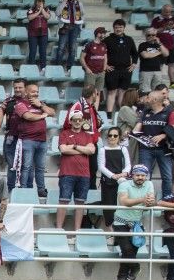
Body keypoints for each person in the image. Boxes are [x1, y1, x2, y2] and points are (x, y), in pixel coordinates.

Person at [56, 111, 98, 241]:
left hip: (84, 174)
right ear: (71, 121)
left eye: (80, 120)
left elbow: (91, 150)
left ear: (83, 121)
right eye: (75, 120)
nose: (77, 122)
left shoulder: (88, 135)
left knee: (80, 203)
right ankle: (58, 231)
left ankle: (77, 232)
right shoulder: (64, 133)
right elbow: (63, 149)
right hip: (67, 172)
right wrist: (82, 149)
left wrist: (73, 146)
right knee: (63, 201)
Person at [113, 165, 155, 280]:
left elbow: (151, 201)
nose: (140, 177)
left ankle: (122, 278)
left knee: (132, 251)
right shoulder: (124, 185)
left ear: (146, 176)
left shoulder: (149, 184)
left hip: (137, 223)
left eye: (143, 175)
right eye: (137, 175)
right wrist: (143, 200)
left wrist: (151, 202)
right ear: (132, 175)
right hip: (120, 222)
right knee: (127, 249)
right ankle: (135, 267)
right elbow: (124, 201)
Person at [97, 126, 132, 238]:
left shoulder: (123, 149)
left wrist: (123, 174)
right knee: (108, 206)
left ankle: (122, 229)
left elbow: (128, 165)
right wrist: (112, 176)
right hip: (107, 182)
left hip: (121, 182)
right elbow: (101, 166)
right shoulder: (103, 149)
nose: (112, 137)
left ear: (119, 137)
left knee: (121, 205)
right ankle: (112, 231)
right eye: (110, 135)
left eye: (115, 135)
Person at [104, 19, 138, 117]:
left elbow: (135, 54)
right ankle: (109, 115)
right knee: (112, 92)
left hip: (126, 70)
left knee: (122, 92)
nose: (118, 29)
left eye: (120, 27)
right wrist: (105, 65)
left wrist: (134, 64)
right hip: (112, 70)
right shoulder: (107, 40)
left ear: (124, 28)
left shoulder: (129, 39)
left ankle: (120, 114)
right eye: (116, 27)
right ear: (113, 28)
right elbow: (102, 54)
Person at [53, 0, 84, 71]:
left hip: (75, 27)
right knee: (61, 47)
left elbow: (82, 14)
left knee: (72, 48)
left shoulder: (79, 3)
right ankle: (57, 67)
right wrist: (64, 2)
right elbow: (57, 12)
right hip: (65, 27)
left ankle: (70, 67)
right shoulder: (62, 2)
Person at [151, 3, 174, 86]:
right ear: (162, 10)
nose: (167, 14)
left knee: (172, 64)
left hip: (171, 46)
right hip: (160, 46)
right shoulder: (156, 20)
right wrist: (165, 27)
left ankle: (172, 82)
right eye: (166, 12)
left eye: (169, 12)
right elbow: (153, 32)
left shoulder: (173, 19)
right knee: (159, 65)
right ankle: (157, 83)